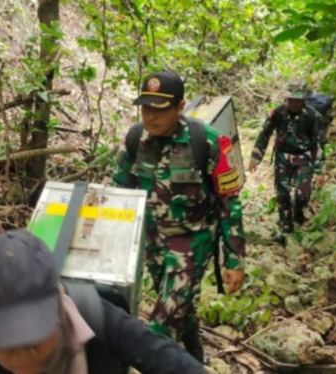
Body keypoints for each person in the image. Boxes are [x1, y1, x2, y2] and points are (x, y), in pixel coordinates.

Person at [112, 69, 246, 363]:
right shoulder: (134, 140)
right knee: (178, 306)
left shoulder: (208, 142)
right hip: (153, 244)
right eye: (146, 108)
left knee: (162, 324)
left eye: (160, 110)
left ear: (180, 107)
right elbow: (119, 194)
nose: (151, 117)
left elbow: (229, 203)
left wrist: (234, 260)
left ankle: (166, 366)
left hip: (192, 243)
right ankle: (195, 356)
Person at [0, 229, 208, 374]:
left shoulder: (98, 320)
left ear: (58, 309)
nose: (21, 363)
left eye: (32, 340)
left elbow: (168, 361)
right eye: (4, 344)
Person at [248, 79, 327, 235]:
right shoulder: (276, 114)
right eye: (291, 99)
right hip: (282, 156)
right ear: (286, 98)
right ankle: (286, 227)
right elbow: (264, 135)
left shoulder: (313, 116)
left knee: (302, 194)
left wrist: (320, 170)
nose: (294, 103)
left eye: (298, 100)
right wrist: (255, 159)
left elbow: (318, 144)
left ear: (304, 100)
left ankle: (299, 211)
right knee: (282, 193)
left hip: (303, 157)